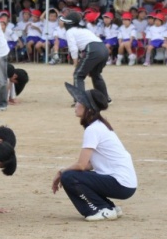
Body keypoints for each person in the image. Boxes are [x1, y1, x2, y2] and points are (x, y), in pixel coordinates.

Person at [52, 83, 137, 221]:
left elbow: (81, 165)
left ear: (89, 109)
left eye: (79, 102)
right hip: (125, 184)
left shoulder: (93, 129)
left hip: (121, 184)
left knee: (69, 177)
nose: (76, 104)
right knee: (74, 175)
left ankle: (99, 209)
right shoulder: (99, 125)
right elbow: (89, 165)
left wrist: (62, 172)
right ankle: (108, 207)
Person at [60, 11, 110, 102]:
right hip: (104, 49)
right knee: (95, 74)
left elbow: (73, 48)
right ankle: (105, 99)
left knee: (78, 75)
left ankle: (81, 101)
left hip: (93, 50)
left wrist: (75, 63)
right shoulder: (84, 29)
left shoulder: (70, 31)